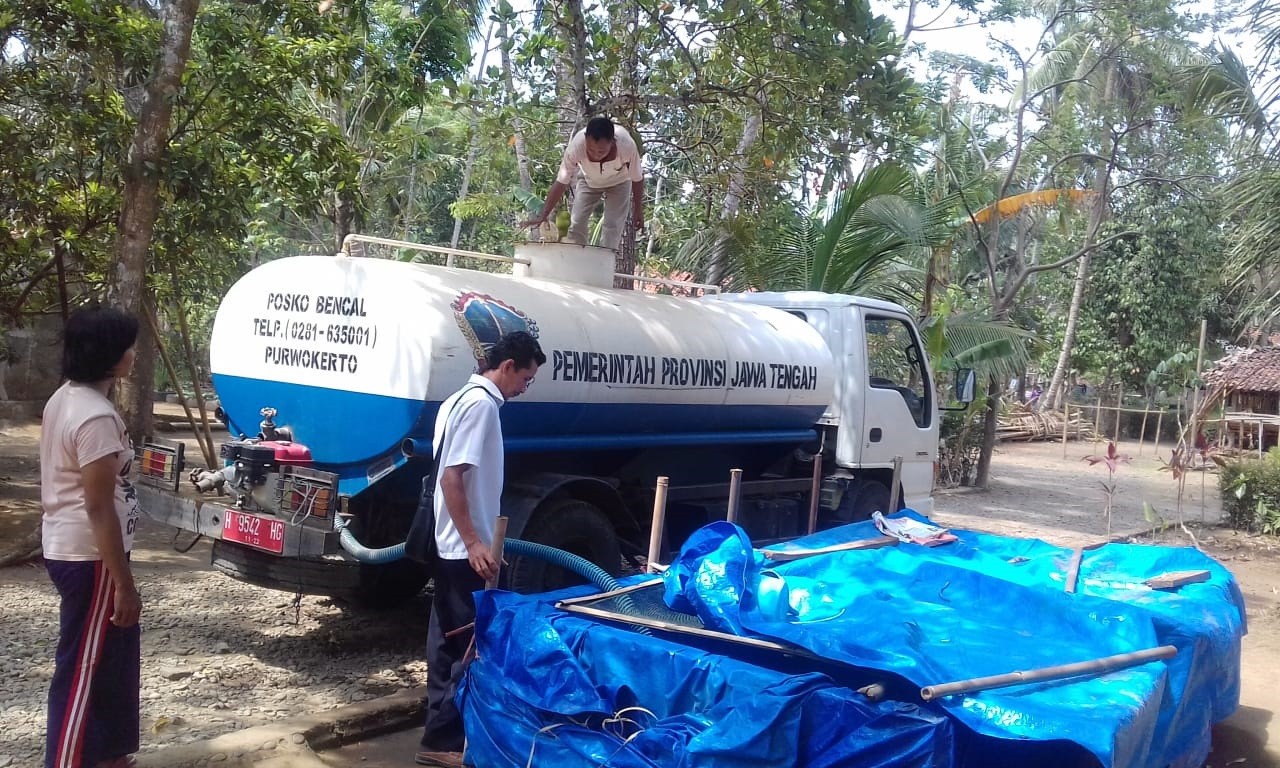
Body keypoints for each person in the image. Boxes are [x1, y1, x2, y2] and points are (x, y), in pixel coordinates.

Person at [416, 330, 545, 768]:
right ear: (507, 366)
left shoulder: (456, 401)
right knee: (467, 649)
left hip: (447, 542)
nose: (523, 388)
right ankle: (443, 743)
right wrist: (474, 542)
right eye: (525, 379)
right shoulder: (482, 406)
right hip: (460, 548)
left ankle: (439, 736)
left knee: (444, 644)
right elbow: (452, 477)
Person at [40, 307, 142, 768]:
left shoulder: (67, 398)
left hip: (85, 552)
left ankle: (108, 755)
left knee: (110, 663)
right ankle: (68, 759)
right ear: (110, 356)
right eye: (127, 346)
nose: (133, 354)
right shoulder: (93, 416)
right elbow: (98, 505)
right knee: (82, 669)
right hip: (91, 556)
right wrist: (122, 581)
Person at [519, 116, 645, 251]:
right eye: (591, 150)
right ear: (585, 139)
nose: (596, 155)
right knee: (577, 222)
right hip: (588, 181)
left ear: (612, 142)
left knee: (613, 226)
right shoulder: (576, 147)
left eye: (601, 151)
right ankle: (577, 257)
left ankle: (604, 262)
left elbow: (637, 178)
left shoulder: (626, 145)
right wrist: (543, 215)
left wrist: (638, 209)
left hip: (620, 182)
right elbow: (561, 181)